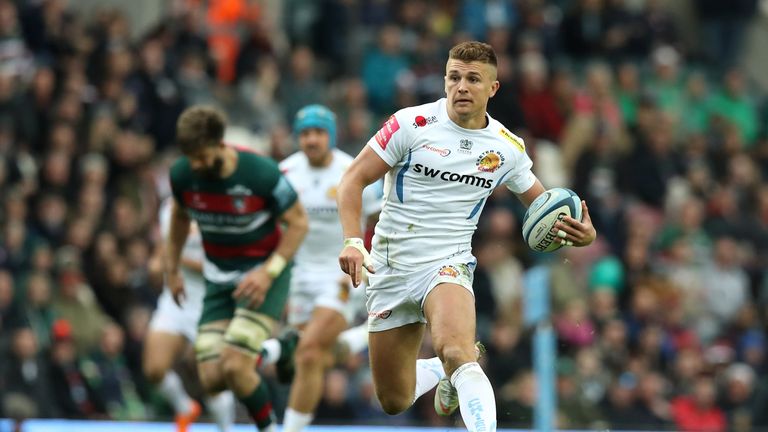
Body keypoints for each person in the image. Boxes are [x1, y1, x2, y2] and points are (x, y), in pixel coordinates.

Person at [337, 41, 596, 431]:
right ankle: (441, 374)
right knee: (394, 400)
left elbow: (545, 208)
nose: (461, 86)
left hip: (448, 264)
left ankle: (458, 374)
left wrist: (583, 233)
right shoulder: (411, 124)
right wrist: (353, 240)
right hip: (389, 268)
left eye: (473, 79)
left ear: (492, 88)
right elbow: (352, 180)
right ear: (444, 80)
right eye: (454, 77)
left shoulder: (507, 148)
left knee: (458, 352)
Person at [166, 105, 309, 432]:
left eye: (201, 156)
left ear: (220, 143)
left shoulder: (260, 173)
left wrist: (268, 272)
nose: (196, 165)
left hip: (263, 274)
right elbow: (178, 217)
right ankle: (279, 349)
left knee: (236, 365)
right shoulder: (184, 175)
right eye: (190, 157)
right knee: (212, 378)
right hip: (218, 278)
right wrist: (171, 270)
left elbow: (299, 224)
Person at [278, 104, 380, 432]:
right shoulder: (284, 174)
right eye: (305, 133)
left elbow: (378, 220)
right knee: (311, 357)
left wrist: (375, 262)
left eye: (318, 133)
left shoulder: (353, 171)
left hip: (341, 273)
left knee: (308, 352)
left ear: (330, 136)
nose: (311, 140)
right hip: (297, 276)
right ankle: (362, 337)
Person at [143, 198, 235, 432]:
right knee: (154, 369)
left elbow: (226, 266)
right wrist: (155, 264)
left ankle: (226, 428)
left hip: (212, 304)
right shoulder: (170, 207)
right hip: (175, 301)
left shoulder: (223, 209)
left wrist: (175, 260)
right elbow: (163, 248)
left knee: (212, 379)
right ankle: (184, 407)